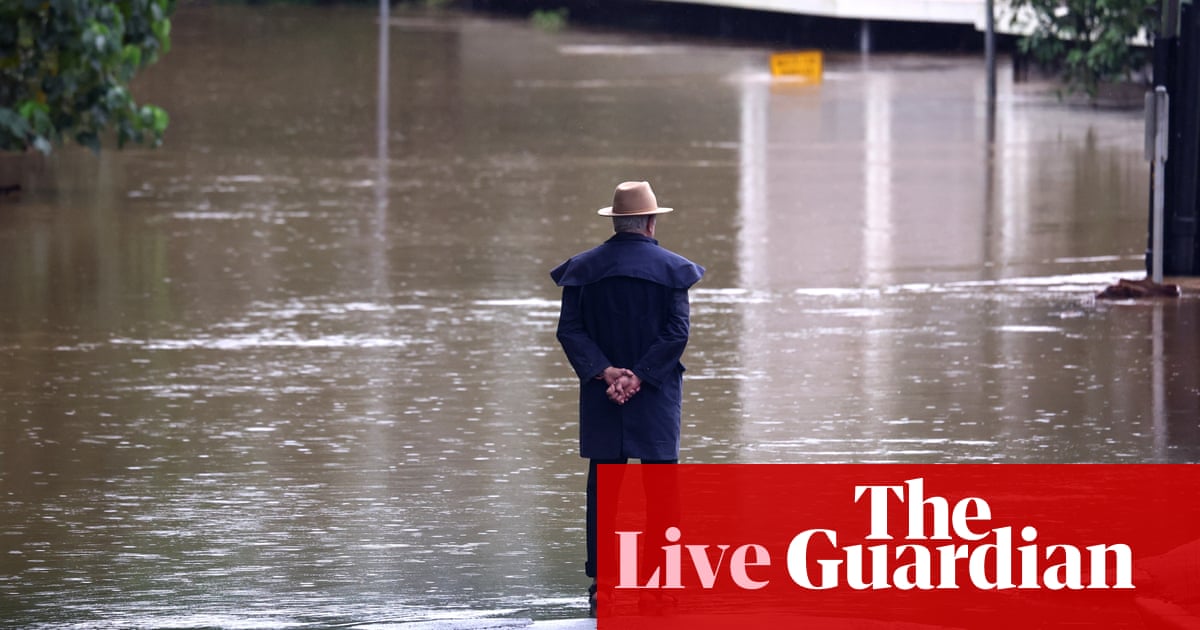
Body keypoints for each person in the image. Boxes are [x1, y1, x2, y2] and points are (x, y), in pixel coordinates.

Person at [549, 180, 705, 608]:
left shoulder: (583, 269)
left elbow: (571, 331)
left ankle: (604, 586)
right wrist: (640, 376)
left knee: (605, 491)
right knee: (661, 494)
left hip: (603, 394)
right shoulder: (674, 270)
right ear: (652, 223)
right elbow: (677, 333)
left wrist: (606, 371)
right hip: (655, 394)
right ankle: (659, 588)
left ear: (618, 222)